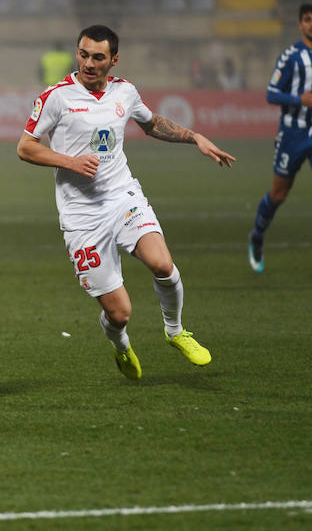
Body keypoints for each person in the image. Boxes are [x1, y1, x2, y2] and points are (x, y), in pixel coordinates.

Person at [17, 25, 236, 380]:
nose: (89, 63)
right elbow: (25, 147)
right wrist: (70, 161)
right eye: (83, 54)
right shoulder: (56, 96)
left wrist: (195, 137)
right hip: (81, 216)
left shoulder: (125, 92)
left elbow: (150, 124)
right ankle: (120, 344)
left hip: (122, 196)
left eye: (98, 57)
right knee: (120, 313)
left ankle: (176, 331)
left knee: (163, 264)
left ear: (113, 60)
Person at [249, 3, 312, 272]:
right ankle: (256, 237)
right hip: (293, 134)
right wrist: (299, 100)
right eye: (307, 20)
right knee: (279, 195)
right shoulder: (291, 57)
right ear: (300, 25)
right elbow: (271, 93)